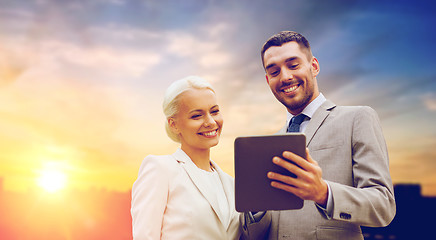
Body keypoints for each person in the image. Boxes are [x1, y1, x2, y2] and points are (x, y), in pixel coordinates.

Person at [240, 31, 396, 239]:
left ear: (314, 66)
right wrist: (255, 209)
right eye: (274, 71)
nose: (285, 77)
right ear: (268, 80)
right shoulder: (268, 146)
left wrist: (324, 193)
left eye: (293, 65)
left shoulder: (357, 118)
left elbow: (383, 207)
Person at [131, 76, 241, 239]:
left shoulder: (231, 184)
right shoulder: (160, 170)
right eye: (197, 116)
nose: (210, 122)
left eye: (214, 111)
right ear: (173, 124)